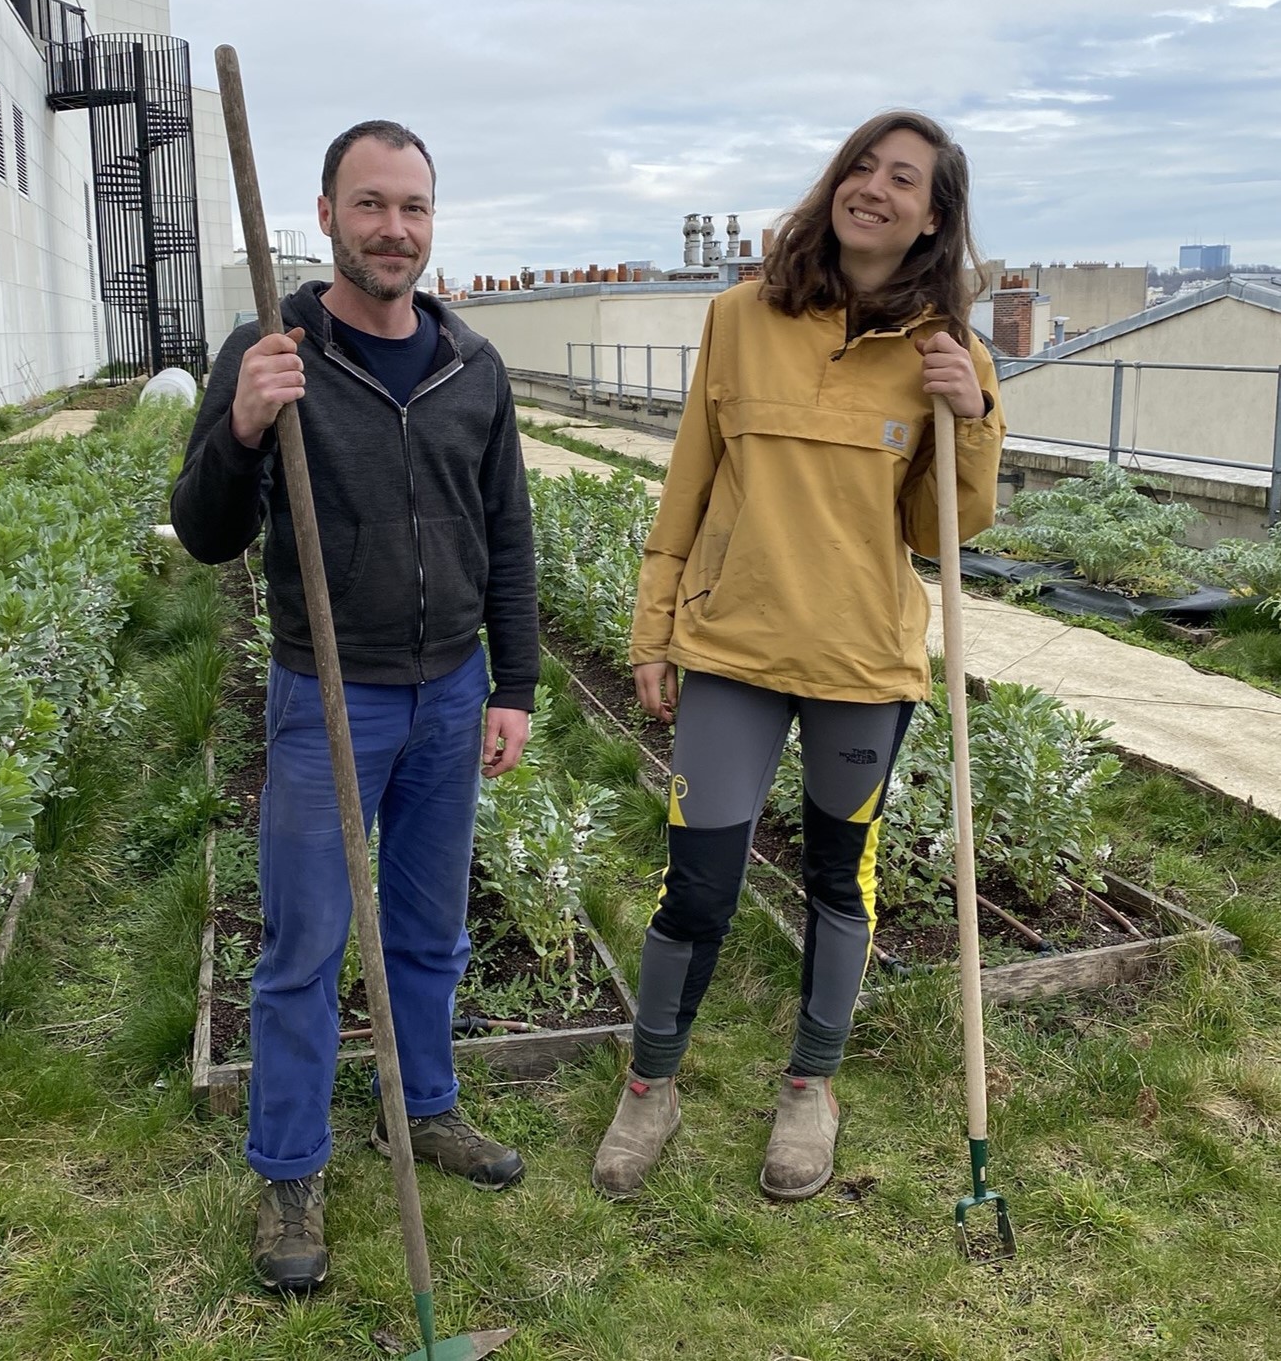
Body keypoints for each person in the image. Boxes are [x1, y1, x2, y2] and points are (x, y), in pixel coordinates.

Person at [591, 110, 1006, 1203]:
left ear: (932, 217)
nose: (874, 187)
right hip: (731, 647)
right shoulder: (738, 317)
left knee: (837, 882)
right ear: (834, 184)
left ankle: (809, 1087)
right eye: (861, 166)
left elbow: (940, 530)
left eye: (903, 179)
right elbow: (687, 479)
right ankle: (651, 1084)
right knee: (697, 886)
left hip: (861, 663)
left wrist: (976, 416)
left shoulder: (943, 354)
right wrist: (654, 623)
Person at [171, 120, 539, 1292]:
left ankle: (421, 1107)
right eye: (371, 204)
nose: (395, 229)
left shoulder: (471, 365)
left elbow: (509, 536)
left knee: (431, 932)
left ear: (434, 223)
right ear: (326, 214)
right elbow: (202, 529)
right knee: (306, 945)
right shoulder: (270, 349)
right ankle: (288, 1169)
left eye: (414, 207)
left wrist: (516, 685)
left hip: (450, 693)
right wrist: (240, 425)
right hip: (326, 692)